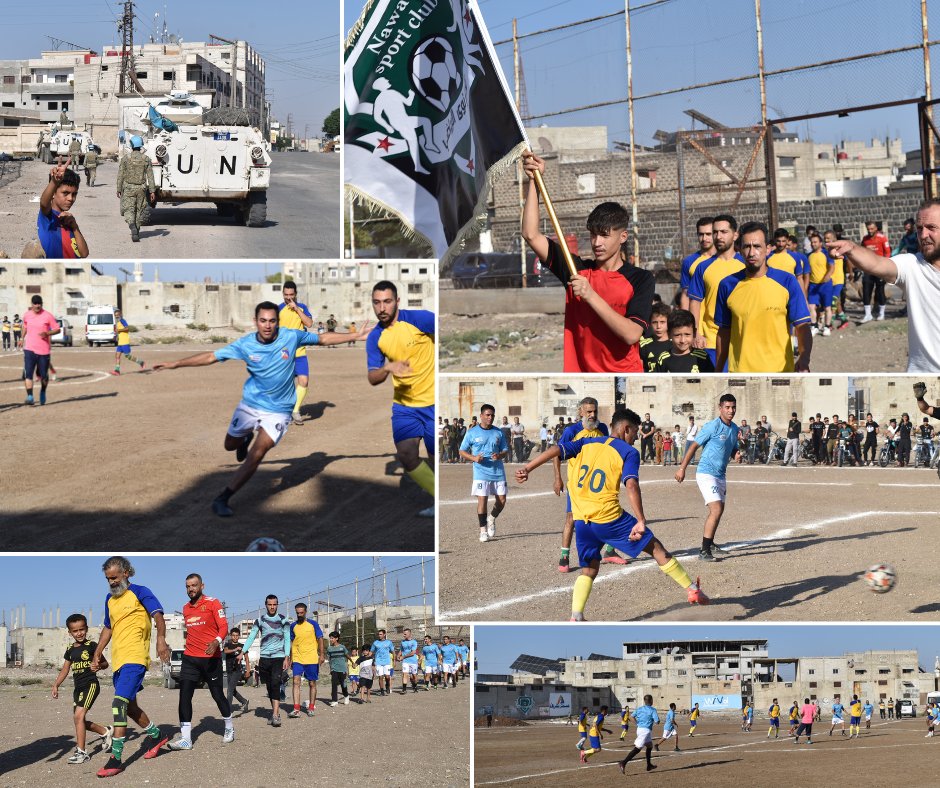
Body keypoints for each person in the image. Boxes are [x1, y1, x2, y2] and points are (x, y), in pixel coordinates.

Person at [153, 301, 370, 517]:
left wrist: (355, 336)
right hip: (250, 404)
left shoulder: (291, 336)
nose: (267, 325)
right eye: (263, 321)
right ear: (255, 321)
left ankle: (224, 497)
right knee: (230, 445)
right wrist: (176, 364)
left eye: (272, 321)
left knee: (257, 454)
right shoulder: (245, 344)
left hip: (279, 410)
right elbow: (211, 356)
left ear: (278, 322)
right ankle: (243, 439)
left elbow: (322, 338)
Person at [517, 408, 708, 621]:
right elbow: (632, 484)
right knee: (655, 547)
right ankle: (692, 589)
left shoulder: (587, 443)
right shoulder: (628, 452)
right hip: (608, 518)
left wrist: (528, 468)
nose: (635, 438)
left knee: (589, 569)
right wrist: (641, 521)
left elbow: (555, 449)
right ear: (626, 429)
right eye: (635, 433)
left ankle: (576, 616)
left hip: (582, 521)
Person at [522, 152, 654, 372]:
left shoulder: (640, 279)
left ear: (622, 237)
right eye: (593, 235)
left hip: (623, 377)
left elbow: (631, 334)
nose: (597, 242)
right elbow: (530, 234)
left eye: (604, 235)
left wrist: (590, 294)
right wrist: (534, 181)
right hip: (581, 377)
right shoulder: (576, 270)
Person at [829, 203, 940, 371]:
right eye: (919, 228)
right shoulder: (912, 265)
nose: (923, 235)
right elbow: (877, 263)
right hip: (923, 380)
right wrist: (852, 249)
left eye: (931, 227)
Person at [91, 556, 169, 778]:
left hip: (135, 658)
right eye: (108, 579)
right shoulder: (110, 599)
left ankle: (115, 759)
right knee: (131, 707)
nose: (112, 582)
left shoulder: (141, 591)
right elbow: (108, 628)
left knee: (118, 704)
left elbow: (158, 616)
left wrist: (161, 640)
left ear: (126, 573)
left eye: (115, 578)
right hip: (119, 661)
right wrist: (98, 652)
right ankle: (156, 736)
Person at [366, 281, 435, 518]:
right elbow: (372, 377)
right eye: (377, 302)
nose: (382, 307)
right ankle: (437, 498)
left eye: (387, 301)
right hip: (405, 406)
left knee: (436, 458)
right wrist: (387, 368)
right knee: (406, 455)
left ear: (397, 301)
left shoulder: (421, 319)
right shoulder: (375, 337)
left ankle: (441, 501)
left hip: (433, 403)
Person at [714, 222, 813, 373]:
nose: (752, 253)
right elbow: (724, 332)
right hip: (740, 375)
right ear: (739, 249)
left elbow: (802, 326)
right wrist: (718, 371)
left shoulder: (787, 281)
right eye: (747, 246)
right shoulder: (727, 285)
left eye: (757, 246)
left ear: (768, 249)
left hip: (780, 374)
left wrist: (804, 359)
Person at [167, 574, 234, 751]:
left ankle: (229, 727)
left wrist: (216, 641)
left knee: (217, 694)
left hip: (211, 659)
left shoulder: (213, 603)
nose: (191, 589)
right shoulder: (185, 608)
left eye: (194, 585)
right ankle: (186, 739)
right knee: (184, 696)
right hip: (190, 658)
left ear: (202, 586)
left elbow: (224, 627)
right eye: (188, 586)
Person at [675, 393, 740, 561]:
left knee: (720, 510)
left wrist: (737, 453)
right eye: (727, 407)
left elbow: (732, 447)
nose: (731, 410)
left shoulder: (734, 429)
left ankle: (710, 543)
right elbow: (694, 446)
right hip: (706, 472)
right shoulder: (712, 426)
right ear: (720, 408)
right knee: (716, 509)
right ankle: (704, 551)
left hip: (720, 474)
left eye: (733, 407)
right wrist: (682, 468)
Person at [52, 613, 112, 764]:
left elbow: (105, 664)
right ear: (70, 632)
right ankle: (105, 731)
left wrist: (98, 665)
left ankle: (82, 753)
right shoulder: (70, 649)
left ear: (86, 629)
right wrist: (56, 685)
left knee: (78, 717)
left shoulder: (92, 646)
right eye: (75, 630)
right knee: (79, 720)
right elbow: (65, 669)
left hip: (90, 685)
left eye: (82, 629)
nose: (79, 633)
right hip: (78, 688)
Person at [687, 214, 745, 368]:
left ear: (735, 235)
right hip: (712, 340)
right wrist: (696, 332)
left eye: (724, 232)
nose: (718, 236)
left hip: (743, 339)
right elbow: (695, 302)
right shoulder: (703, 267)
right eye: (715, 232)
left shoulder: (746, 265)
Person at [241, 595, 291, 726]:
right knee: (269, 686)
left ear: (277, 605)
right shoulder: (260, 620)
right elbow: (252, 636)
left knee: (275, 683)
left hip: (278, 657)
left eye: (275, 604)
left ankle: (275, 715)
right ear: (266, 605)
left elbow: (287, 638)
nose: (272, 607)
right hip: (264, 658)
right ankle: (276, 713)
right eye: (270, 604)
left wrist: (287, 656)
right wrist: (243, 651)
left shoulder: (283, 620)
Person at [278, 281, 314, 425]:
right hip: (284, 353)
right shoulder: (278, 309)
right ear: (283, 294)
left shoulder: (302, 308)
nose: (288, 298)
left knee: (304, 381)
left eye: (291, 295)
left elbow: (309, 324)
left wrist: (297, 309)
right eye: (286, 295)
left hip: (300, 351)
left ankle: (295, 411)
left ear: (296, 294)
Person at [38, 158, 89, 258]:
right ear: (53, 193)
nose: (70, 198)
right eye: (65, 193)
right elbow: (44, 203)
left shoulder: (68, 220)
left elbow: (84, 254)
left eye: (74, 194)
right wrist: (54, 182)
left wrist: (75, 227)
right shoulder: (48, 217)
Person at [19, 294, 60, 406]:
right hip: (29, 349)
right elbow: (25, 327)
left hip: (43, 351)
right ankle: (30, 396)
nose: (37, 305)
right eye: (35, 303)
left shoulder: (48, 316)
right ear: (31, 305)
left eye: (39, 303)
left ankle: (42, 391)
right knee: (28, 374)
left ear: (42, 304)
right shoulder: (27, 315)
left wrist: (47, 333)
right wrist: (22, 338)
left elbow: (57, 329)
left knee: (44, 376)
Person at [287, 602, 324, 718]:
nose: (299, 615)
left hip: (311, 658)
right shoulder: (293, 626)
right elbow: (291, 642)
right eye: (297, 613)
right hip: (298, 658)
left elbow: (320, 638)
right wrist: (290, 657)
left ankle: (311, 707)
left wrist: (322, 654)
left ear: (306, 612)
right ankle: (296, 709)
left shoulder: (313, 624)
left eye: (301, 613)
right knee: (296, 682)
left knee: (312, 683)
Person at [116, 136, 156, 243]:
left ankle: (132, 226)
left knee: (129, 209)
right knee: (139, 209)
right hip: (141, 189)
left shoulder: (125, 158)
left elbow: (120, 175)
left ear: (132, 145)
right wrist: (152, 191)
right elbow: (150, 176)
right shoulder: (146, 159)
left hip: (128, 188)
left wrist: (118, 188)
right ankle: (136, 232)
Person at [650, 308, 715, 372]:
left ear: (694, 333)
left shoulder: (702, 357)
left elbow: (711, 380)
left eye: (687, 334)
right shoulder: (663, 358)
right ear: (669, 334)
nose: (682, 340)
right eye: (677, 335)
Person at [679, 217, 715, 310]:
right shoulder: (689, 262)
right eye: (701, 234)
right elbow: (685, 294)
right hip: (698, 319)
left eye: (708, 234)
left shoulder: (726, 260)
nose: (704, 238)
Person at [859, 220, 891, 322]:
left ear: (876, 228)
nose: (870, 231)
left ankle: (881, 313)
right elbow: (862, 251)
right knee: (866, 290)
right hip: (868, 269)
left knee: (880, 291)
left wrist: (885, 267)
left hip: (880, 268)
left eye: (872, 229)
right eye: (868, 229)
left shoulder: (882, 238)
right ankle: (868, 314)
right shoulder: (865, 239)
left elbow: (887, 253)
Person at [618, 696, 659, 773]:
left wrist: (637, 723)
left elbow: (631, 717)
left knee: (649, 746)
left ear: (644, 701)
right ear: (651, 700)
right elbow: (657, 721)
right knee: (637, 748)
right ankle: (623, 762)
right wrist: (656, 720)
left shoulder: (639, 709)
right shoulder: (652, 710)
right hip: (645, 731)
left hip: (640, 729)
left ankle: (649, 765)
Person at [806, 232, 834, 335]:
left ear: (820, 243)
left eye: (815, 242)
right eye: (812, 242)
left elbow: (832, 267)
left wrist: (827, 276)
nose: (813, 244)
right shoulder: (808, 255)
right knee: (811, 306)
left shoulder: (826, 253)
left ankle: (827, 327)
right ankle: (814, 326)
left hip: (825, 285)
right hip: (813, 285)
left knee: (827, 307)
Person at [222, 627, 250, 717]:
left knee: (229, 690)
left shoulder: (242, 646)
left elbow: (246, 658)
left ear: (239, 636)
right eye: (233, 635)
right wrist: (235, 650)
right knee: (232, 690)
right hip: (229, 670)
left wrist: (248, 670)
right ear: (231, 636)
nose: (235, 637)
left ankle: (228, 710)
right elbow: (226, 651)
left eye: (237, 635)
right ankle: (244, 701)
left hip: (237, 671)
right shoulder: (227, 644)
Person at [111, 308, 145, 375]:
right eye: (115, 315)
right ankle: (117, 371)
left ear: (120, 315)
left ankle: (141, 362)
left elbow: (127, 328)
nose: (116, 316)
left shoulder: (123, 321)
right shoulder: (117, 323)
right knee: (117, 356)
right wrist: (117, 337)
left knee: (127, 356)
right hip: (120, 342)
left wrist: (119, 330)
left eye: (117, 315)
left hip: (125, 342)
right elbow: (119, 332)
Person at [639, 302, 672, 371]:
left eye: (662, 322)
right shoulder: (643, 344)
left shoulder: (675, 343)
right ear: (650, 323)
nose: (658, 326)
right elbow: (640, 369)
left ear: (668, 322)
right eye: (655, 322)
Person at [325, 631, 351, 706]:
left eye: (332, 638)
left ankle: (346, 696)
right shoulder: (329, 648)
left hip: (342, 669)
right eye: (330, 638)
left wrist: (352, 662)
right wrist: (330, 668)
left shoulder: (342, 647)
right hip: (334, 669)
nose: (331, 639)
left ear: (337, 638)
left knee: (343, 684)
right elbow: (329, 659)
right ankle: (334, 700)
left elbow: (347, 655)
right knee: (334, 684)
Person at [370, 629, 395, 696]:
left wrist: (394, 660)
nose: (379, 635)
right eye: (378, 634)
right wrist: (366, 658)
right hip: (378, 662)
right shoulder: (375, 643)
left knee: (387, 676)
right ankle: (382, 691)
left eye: (381, 634)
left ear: (384, 634)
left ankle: (387, 685)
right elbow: (371, 652)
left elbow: (393, 652)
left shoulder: (389, 642)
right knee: (380, 677)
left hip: (387, 661)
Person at [395, 628, 420, 694]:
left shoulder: (414, 642)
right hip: (405, 661)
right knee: (404, 674)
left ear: (409, 634)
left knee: (414, 676)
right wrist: (398, 655)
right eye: (403, 634)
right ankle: (404, 689)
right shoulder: (402, 642)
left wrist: (403, 656)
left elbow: (413, 653)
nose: (404, 635)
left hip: (413, 661)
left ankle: (415, 687)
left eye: (405, 634)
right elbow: (401, 650)